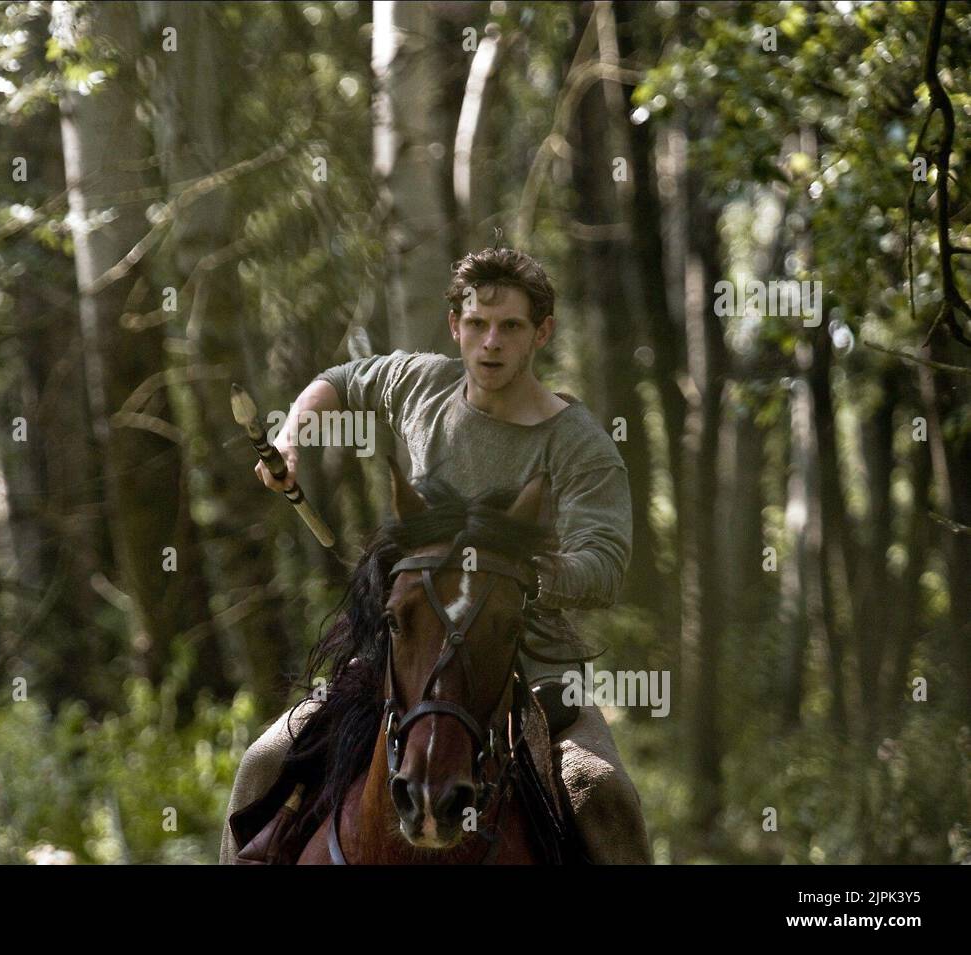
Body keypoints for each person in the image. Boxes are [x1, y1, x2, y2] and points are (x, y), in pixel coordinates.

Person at [220, 246, 652, 864]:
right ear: (456, 326)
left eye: (511, 327)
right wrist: (290, 436)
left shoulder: (579, 445)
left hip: (528, 666)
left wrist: (523, 573)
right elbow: (340, 382)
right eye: (477, 324)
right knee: (263, 761)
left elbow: (605, 563)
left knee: (604, 794)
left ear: (542, 334)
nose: (491, 343)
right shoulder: (422, 383)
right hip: (408, 648)